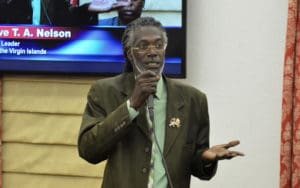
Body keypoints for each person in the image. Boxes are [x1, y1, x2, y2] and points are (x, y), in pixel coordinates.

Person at [78, 17, 244, 188]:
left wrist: (205, 158)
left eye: (158, 45)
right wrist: (132, 105)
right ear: (130, 53)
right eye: (143, 46)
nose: (153, 52)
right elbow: (88, 150)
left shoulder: (194, 100)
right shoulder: (105, 91)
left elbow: (195, 164)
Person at [0, 0, 98, 26]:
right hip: (19, 54)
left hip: (49, 51)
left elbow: (69, 17)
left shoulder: (55, 2)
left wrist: (87, 8)